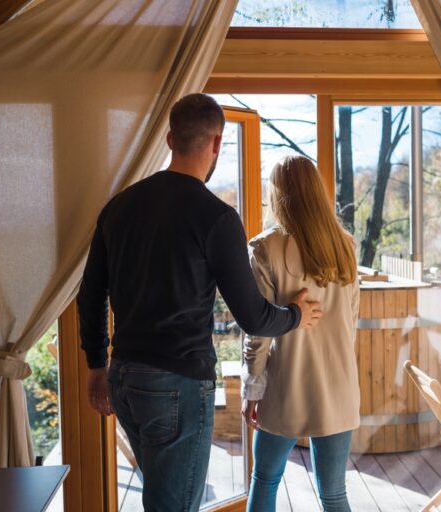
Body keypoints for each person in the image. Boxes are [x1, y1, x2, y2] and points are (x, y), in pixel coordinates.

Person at [76, 93, 322, 512]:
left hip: (125, 378)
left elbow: (90, 294)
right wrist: (297, 315)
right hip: (178, 385)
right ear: (216, 144)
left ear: (170, 140)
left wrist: (97, 365)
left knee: (161, 495)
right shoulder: (216, 217)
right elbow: (252, 316)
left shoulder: (118, 208)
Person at [242, 155, 361, 512]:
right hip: (339, 386)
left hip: (286, 385)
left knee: (265, 480)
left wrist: (253, 388)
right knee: (335, 493)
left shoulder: (264, 248)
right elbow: (350, 322)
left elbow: (259, 331)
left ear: (277, 193)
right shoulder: (346, 246)